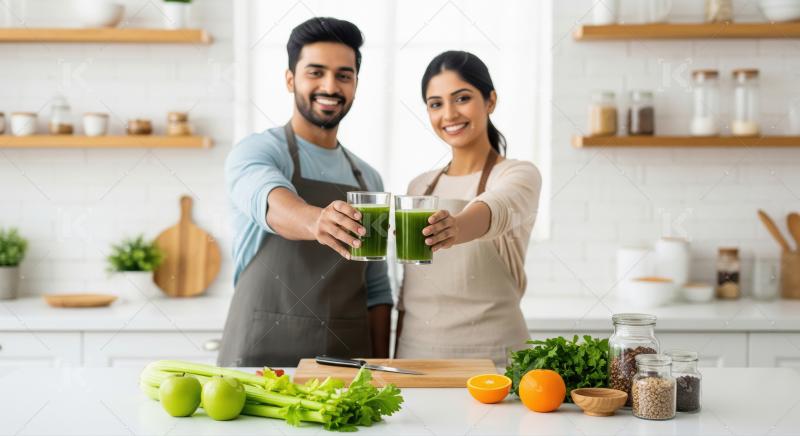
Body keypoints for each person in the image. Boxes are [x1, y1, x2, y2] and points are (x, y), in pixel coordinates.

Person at [218, 17, 392, 367]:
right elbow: (270, 200)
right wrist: (317, 221)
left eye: (344, 75)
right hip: (258, 361)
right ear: (290, 79)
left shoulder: (369, 180)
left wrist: (381, 368)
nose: (330, 86)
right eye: (315, 72)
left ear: (356, 85)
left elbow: (376, 290)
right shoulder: (257, 152)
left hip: (345, 364)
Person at [395, 51, 542, 366]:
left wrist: (457, 227)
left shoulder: (518, 174)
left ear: (490, 101)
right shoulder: (418, 188)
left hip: (498, 361)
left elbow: (497, 207)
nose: (448, 114)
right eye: (436, 104)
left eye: (461, 98)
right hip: (416, 359)